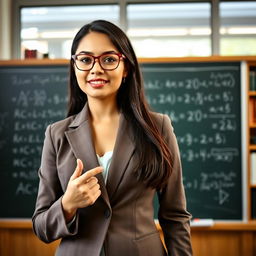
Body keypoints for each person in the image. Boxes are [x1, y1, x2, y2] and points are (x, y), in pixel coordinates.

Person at [32, 20, 193, 256]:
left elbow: (175, 216)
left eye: (109, 59)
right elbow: (41, 227)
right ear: (75, 66)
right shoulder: (56, 134)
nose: (96, 69)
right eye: (85, 60)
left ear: (126, 67)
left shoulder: (158, 127)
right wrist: (68, 204)